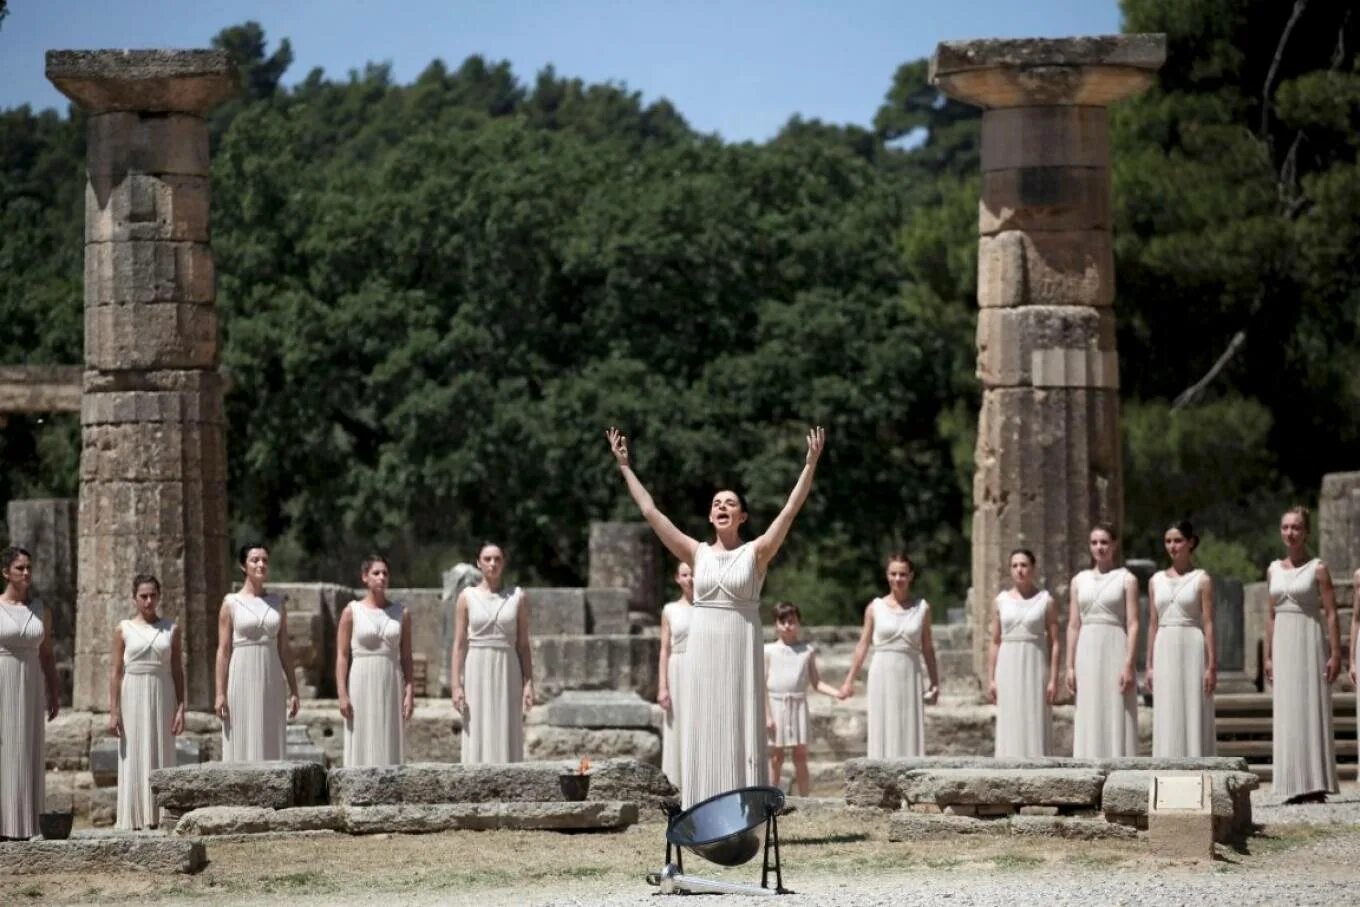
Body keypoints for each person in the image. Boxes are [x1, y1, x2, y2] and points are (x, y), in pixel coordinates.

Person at [606, 424, 825, 807]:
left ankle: (744, 804)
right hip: (704, 653)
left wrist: (810, 464)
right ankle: (701, 802)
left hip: (740, 647)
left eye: (730, 503)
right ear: (710, 517)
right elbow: (650, 511)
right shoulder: (696, 553)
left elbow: (790, 511)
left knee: (740, 720)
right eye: (716, 504)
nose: (721, 507)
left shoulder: (757, 552)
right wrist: (625, 467)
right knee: (707, 722)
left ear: (742, 516)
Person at [1266, 506, 1340, 802]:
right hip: (1283, 641)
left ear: (1306, 532)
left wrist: (1335, 654)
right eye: (1285, 527)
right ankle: (1289, 782)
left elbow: (1332, 614)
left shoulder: (1318, 568)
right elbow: (1269, 616)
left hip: (1309, 639)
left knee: (1311, 705)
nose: (1290, 533)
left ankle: (1314, 782)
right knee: (1286, 709)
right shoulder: (1273, 569)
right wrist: (1268, 656)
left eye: (1296, 527)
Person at [838, 554, 939, 758]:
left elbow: (928, 648)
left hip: (910, 672)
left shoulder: (922, 608)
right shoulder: (875, 607)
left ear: (911, 576)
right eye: (893, 574)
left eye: (902, 574)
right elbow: (862, 646)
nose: (898, 579)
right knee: (882, 723)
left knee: (908, 724)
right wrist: (849, 681)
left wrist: (935, 681)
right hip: (882, 672)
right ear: (887, 575)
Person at [109, 574, 185, 830]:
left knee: (161, 747)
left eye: (153, 595)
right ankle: (135, 816)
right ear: (134, 598)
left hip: (162, 691)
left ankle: (162, 814)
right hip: (133, 692)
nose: (149, 600)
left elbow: (177, 670)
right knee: (134, 751)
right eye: (143, 596)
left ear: (159, 596)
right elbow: (116, 671)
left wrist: (181, 707)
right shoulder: (123, 629)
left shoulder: (171, 629)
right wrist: (114, 711)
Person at [215, 543, 300, 762]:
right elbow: (223, 651)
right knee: (242, 732)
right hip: (241, 673)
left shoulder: (277, 603)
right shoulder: (231, 603)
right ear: (243, 566)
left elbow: (284, 649)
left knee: (269, 732)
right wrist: (220, 692)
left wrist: (294, 689)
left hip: (270, 675)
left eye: (264, 560)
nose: (261, 564)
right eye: (255, 560)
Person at [451, 543, 534, 763]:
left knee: (506, 721)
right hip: (476, 665)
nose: (492, 564)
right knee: (477, 721)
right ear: (478, 563)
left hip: (508, 666)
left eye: (497, 559)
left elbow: (524, 645)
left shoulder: (518, 596)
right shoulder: (466, 597)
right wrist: (456, 685)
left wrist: (528, 683)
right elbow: (459, 644)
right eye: (487, 559)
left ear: (504, 563)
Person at [0, 546, 59, 839]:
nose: (26, 573)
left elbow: (47, 654)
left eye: (29, 568)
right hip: (3, 678)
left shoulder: (40, 610)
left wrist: (54, 691)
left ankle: (25, 825)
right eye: (20, 568)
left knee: (27, 747)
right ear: (5, 572)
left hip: (32, 681)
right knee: (4, 748)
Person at [1066, 525, 1139, 758]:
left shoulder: (1127, 579)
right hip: (1087, 648)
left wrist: (1129, 663)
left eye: (1104, 542)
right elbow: (1074, 624)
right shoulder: (1079, 581)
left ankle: (1119, 759)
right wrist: (1069, 665)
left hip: (1115, 644)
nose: (1099, 547)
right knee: (1089, 706)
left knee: (1116, 704)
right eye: (1095, 542)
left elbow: (1134, 623)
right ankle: (1088, 760)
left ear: (1114, 545)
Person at [1147, 520, 1216, 757]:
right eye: (1168, 541)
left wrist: (1211, 665)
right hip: (1164, 644)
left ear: (1190, 543)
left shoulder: (1201, 579)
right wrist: (1148, 665)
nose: (1173, 546)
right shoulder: (1155, 580)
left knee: (1193, 705)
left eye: (1178, 541)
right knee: (1167, 708)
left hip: (1192, 644)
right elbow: (1153, 623)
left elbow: (1208, 623)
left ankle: (1197, 764)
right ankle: (1167, 766)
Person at [337, 555, 414, 767]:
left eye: (385, 574)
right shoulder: (351, 612)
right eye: (376, 573)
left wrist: (410, 690)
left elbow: (406, 656)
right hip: (361, 678)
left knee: (389, 731)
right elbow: (342, 656)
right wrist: (342, 693)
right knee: (362, 730)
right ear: (365, 577)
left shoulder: (401, 613)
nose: (381, 577)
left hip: (391, 677)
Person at [765, 601, 839, 796]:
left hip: (797, 705)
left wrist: (837, 693)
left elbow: (816, 682)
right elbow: (761, 685)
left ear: (798, 623)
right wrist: (767, 716)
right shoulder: (768, 650)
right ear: (776, 624)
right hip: (775, 705)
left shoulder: (807, 651)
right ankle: (770, 798)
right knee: (776, 757)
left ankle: (805, 798)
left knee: (800, 755)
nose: (788, 626)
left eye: (792, 621)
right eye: (783, 622)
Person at [989, 548, 1057, 758]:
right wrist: (991, 678)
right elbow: (995, 641)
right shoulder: (1001, 601)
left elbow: (1055, 642)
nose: (1020, 570)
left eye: (1024, 565)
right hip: (1008, 664)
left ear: (1033, 568)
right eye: (1015, 566)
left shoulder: (1046, 600)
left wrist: (1054, 679)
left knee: (1034, 715)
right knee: (1010, 716)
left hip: (1035, 663)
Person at [658, 562, 694, 787]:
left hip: (703, 669)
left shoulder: (711, 608)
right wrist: (662, 686)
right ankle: (675, 785)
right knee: (677, 726)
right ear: (677, 578)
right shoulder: (670, 609)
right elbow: (664, 649)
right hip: (677, 668)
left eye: (694, 574)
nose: (690, 579)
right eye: (685, 574)